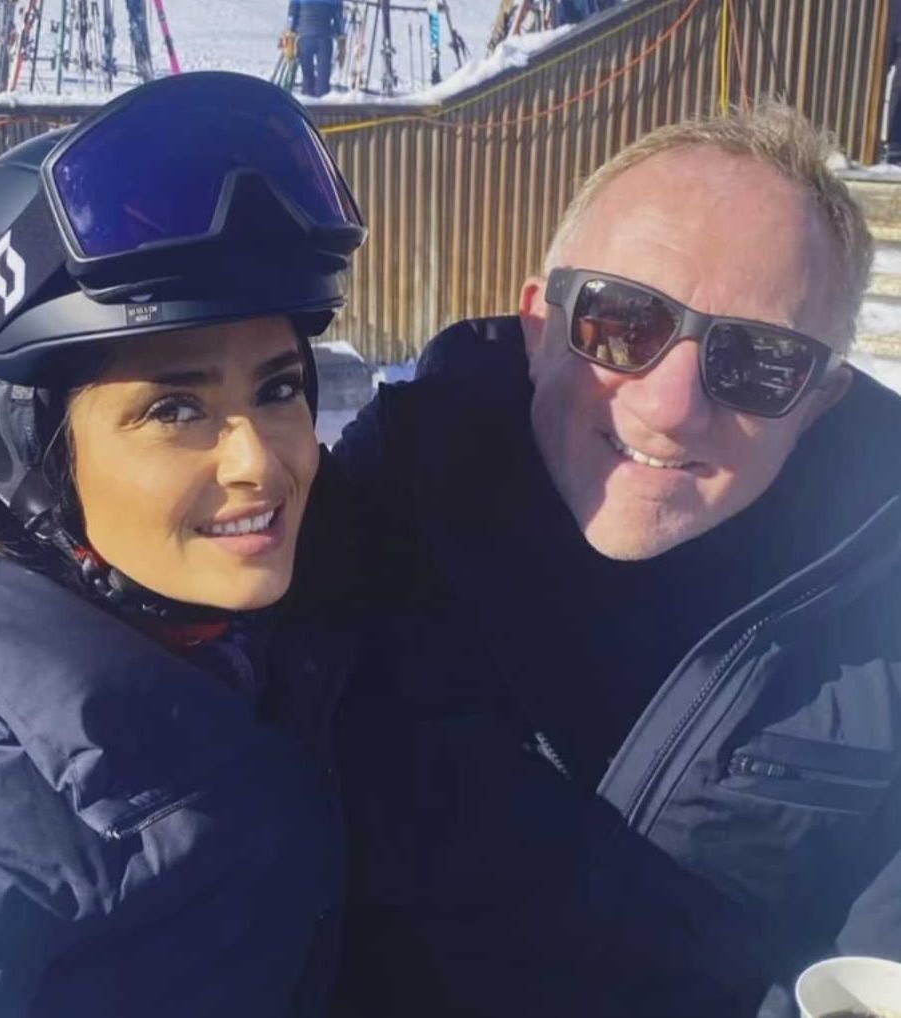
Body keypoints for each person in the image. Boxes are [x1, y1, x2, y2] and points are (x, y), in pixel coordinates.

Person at [331, 102, 901, 1017]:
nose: (671, 407)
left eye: (759, 361)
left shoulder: (881, 597)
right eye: (622, 322)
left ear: (818, 401)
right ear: (539, 323)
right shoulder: (382, 502)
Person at [0, 71, 365, 1017]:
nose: (259, 465)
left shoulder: (244, 610)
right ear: (25, 453)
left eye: (277, 389)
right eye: (175, 408)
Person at [286, 0, 344, 97]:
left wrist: (291, 34)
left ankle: (307, 99)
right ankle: (322, 100)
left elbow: (292, 16)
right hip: (324, 39)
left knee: (307, 77)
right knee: (323, 78)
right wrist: (340, 36)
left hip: (305, 38)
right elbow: (338, 18)